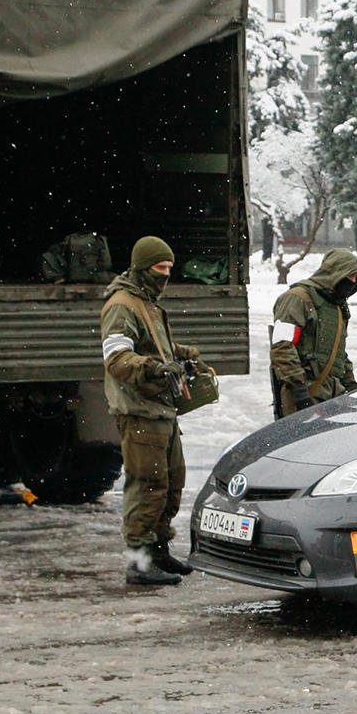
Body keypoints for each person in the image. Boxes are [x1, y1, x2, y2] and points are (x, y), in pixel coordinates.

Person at [100, 235, 199, 585]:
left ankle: (158, 551)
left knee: (171, 483)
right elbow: (117, 358)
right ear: (142, 268)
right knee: (147, 485)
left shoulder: (148, 302)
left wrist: (180, 354)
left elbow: (153, 345)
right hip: (138, 409)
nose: (166, 274)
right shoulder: (122, 305)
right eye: (160, 268)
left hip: (161, 407)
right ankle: (138, 563)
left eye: (170, 268)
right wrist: (154, 368)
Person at [271, 248, 357, 417]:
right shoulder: (298, 299)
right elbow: (282, 347)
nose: (353, 282)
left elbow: (338, 355)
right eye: (351, 276)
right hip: (301, 395)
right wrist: (300, 391)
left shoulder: (337, 307)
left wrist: (353, 387)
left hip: (332, 395)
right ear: (336, 273)